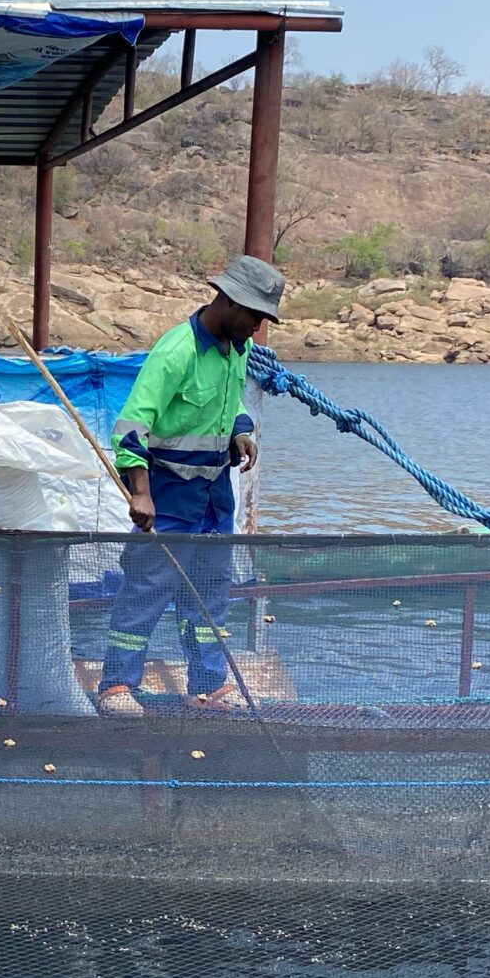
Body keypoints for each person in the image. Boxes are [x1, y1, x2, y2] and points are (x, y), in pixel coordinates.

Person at [96, 253, 285, 716]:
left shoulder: (236, 350)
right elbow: (130, 428)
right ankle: (116, 686)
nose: (258, 327)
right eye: (255, 316)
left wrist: (241, 430)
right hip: (169, 493)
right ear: (228, 301)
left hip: (215, 495)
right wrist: (140, 492)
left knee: (208, 596)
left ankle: (207, 686)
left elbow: (229, 404)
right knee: (146, 591)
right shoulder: (176, 351)